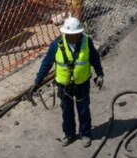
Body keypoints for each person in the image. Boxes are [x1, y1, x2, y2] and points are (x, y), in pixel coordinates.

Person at [34, 16, 104, 147]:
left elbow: (94, 58)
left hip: (82, 83)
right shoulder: (56, 45)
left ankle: (85, 134)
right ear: (65, 33)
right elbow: (46, 64)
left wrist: (100, 74)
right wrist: (37, 81)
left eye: (77, 34)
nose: (75, 37)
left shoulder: (87, 41)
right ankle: (69, 134)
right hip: (64, 86)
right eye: (72, 34)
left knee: (83, 110)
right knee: (67, 111)